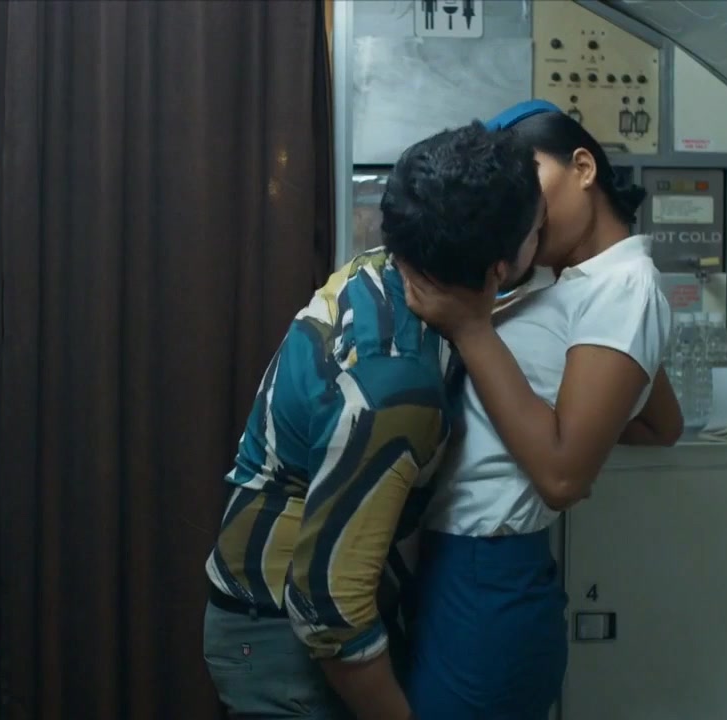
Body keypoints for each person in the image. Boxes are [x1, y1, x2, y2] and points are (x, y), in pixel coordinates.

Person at [202, 121, 546, 720]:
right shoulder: (397, 387)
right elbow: (328, 610)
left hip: (282, 607)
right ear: (498, 266)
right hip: (282, 633)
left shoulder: (387, 268)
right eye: (538, 230)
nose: (546, 237)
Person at [400, 100, 684, 719]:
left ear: (583, 167)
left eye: (529, 188)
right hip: (463, 564)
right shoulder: (574, 284)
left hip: (488, 573)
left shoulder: (624, 287)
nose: (518, 212)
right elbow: (661, 423)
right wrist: (578, 426)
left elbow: (562, 478)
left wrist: (472, 329)